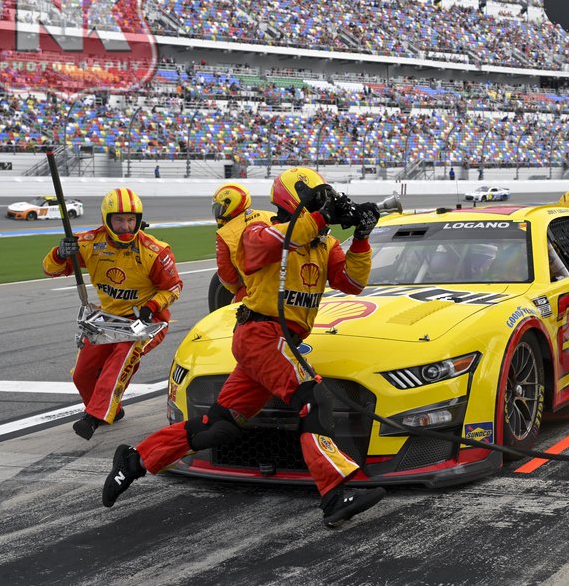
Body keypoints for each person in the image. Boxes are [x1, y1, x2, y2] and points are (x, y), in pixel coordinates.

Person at [102, 167, 385, 528]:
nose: (326, 207)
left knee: (218, 427)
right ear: (293, 200)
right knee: (313, 401)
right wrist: (319, 218)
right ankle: (335, 492)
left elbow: (352, 283)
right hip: (261, 335)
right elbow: (269, 245)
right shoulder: (258, 230)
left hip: (280, 340)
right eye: (319, 200)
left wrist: (361, 238)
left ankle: (134, 461)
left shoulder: (323, 244)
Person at [43, 188, 183, 439]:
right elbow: (50, 270)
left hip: (146, 321)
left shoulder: (155, 251)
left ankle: (94, 417)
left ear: (139, 220)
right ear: (107, 219)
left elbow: (174, 288)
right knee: (82, 374)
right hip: (107, 319)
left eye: (131, 219)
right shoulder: (88, 242)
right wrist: (59, 253)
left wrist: (151, 308)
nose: (125, 225)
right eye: (119, 219)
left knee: (122, 355)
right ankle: (112, 409)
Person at [212, 181, 274, 303]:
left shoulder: (224, 234)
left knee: (234, 317)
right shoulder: (271, 215)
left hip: (254, 290)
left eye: (219, 208)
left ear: (229, 205)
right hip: (288, 281)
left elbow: (227, 277)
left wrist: (238, 289)